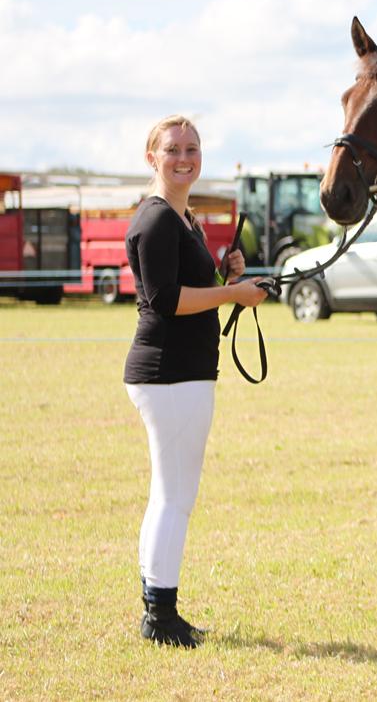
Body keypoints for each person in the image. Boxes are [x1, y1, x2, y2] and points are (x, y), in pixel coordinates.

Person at [123, 115, 268, 648]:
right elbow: (166, 300)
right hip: (169, 376)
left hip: (181, 374)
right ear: (152, 158)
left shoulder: (183, 221)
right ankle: (160, 616)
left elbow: (190, 287)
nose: (184, 157)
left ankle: (156, 606)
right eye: (173, 149)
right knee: (174, 498)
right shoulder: (158, 220)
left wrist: (227, 275)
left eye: (192, 148)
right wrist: (233, 294)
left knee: (170, 494)